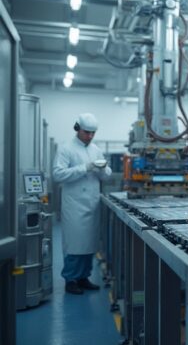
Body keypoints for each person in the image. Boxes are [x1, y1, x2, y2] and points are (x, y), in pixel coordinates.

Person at [53, 113, 112, 295]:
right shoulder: (66, 148)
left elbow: (107, 175)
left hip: (92, 203)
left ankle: (84, 277)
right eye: (87, 132)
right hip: (74, 205)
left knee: (89, 244)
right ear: (77, 128)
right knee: (74, 244)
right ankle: (70, 279)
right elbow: (58, 174)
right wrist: (85, 168)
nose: (90, 136)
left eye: (93, 133)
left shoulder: (95, 149)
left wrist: (103, 169)